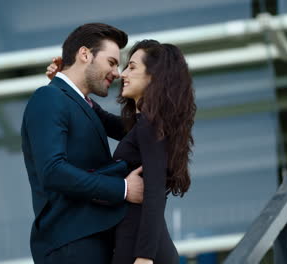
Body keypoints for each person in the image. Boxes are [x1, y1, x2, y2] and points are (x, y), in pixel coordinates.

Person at [46, 39, 196, 264]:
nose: (122, 74)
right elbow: (102, 119)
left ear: (154, 77)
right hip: (133, 244)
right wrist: (66, 82)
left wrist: (144, 257)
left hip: (142, 252)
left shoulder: (150, 127)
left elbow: (154, 194)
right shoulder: (143, 125)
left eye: (132, 67)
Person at [21, 23, 145, 264]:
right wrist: (124, 189)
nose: (117, 73)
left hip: (87, 242)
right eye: (111, 62)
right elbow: (53, 171)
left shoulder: (75, 102)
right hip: (72, 244)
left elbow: (133, 132)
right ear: (85, 54)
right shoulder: (49, 97)